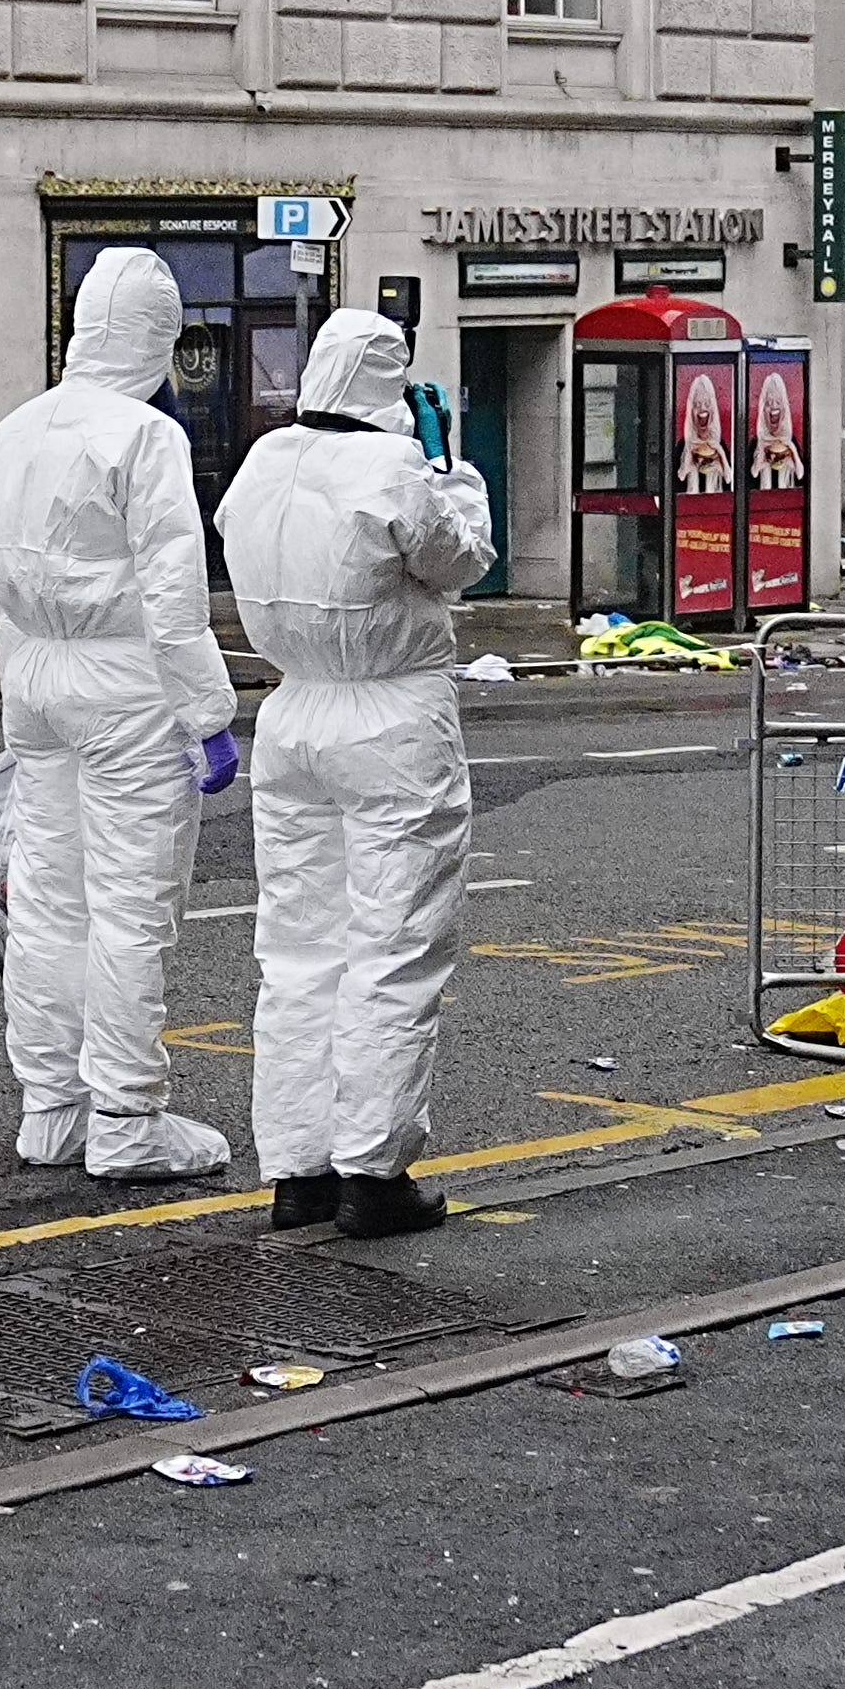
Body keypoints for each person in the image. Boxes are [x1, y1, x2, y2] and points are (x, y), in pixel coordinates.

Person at [221, 310, 495, 1240]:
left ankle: (296, 1170)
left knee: (297, 952)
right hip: (389, 716)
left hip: (292, 712)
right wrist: (448, 463)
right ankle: (373, 1174)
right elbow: (461, 561)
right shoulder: (394, 470)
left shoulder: (261, 462)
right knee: (394, 946)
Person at [0, 252, 244, 1183]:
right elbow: (174, 596)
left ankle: (51, 1108)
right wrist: (208, 714)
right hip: (127, 692)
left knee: (48, 903)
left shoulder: (12, 433)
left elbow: (4, 588)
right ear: (156, 340)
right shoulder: (144, 437)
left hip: (37, 687)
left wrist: (22, 700)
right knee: (131, 910)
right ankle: (129, 1119)